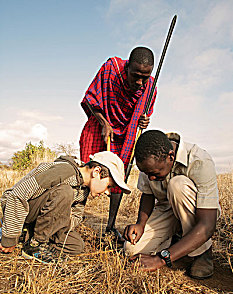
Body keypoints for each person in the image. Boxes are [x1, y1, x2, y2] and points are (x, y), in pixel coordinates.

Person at [0, 151, 130, 263]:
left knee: (76, 245)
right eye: (108, 186)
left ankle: (28, 235)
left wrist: (61, 220)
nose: (107, 193)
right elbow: (17, 195)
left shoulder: (84, 190)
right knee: (65, 193)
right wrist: (9, 237)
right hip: (22, 209)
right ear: (96, 172)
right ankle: (34, 245)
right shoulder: (64, 171)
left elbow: (76, 217)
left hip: (41, 220)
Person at [79, 47, 157, 233]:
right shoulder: (111, 69)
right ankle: (76, 215)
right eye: (135, 75)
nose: (139, 82)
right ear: (128, 67)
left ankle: (110, 225)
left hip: (127, 133)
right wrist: (104, 122)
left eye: (144, 78)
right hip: (100, 125)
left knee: (119, 176)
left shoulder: (150, 87)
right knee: (87, 171)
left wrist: (144, 120)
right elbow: (90, 99)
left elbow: (145, 113)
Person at [124, 130, 220, 279]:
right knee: (131, 249)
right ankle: (178, 242)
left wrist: (161, 259)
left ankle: (202, 253)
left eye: (155, 173)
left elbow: (207, 225)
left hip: (196, 212)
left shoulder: (199, 161)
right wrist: (140, 223)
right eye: (147, 173)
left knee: (177, 185)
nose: (151, 177)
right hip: (167, 210)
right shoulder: (149, 161)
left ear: (170, 156)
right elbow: (148, 194)